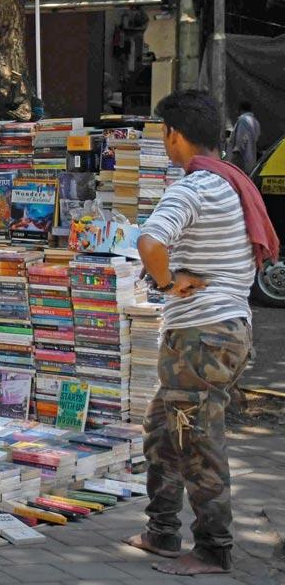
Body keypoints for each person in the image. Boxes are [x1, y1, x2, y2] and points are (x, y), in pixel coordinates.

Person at [125, 90, 279, 576]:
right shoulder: (231, 184)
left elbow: (150, 242)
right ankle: (162, 530)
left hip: (201, 333)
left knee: (197, 439)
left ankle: (213, 546)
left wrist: (168, 282)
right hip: (225, 330)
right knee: (162, 431)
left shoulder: (191, 189)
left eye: (163, 133)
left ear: (174, 134)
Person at [227, 101, 260, 175]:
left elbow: (240, 143)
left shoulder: (243, 120)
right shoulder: (256, 122)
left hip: (240, 164)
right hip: (251, 161)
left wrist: (233, 162)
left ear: (240, 109)